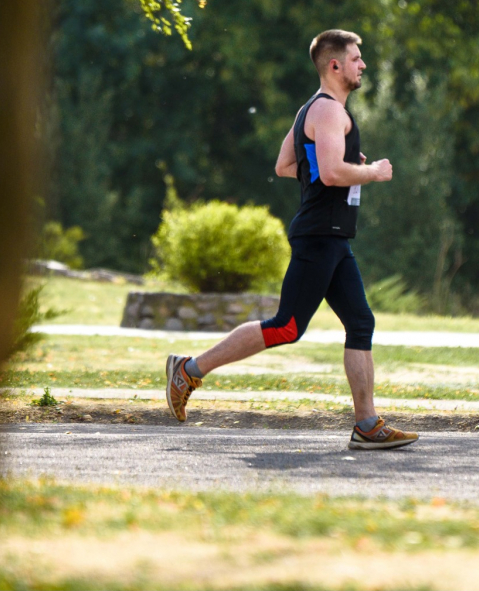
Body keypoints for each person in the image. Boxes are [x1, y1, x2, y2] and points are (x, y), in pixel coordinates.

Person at [164, 29, 419, 450]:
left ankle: (366, 424)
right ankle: (189, 370)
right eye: (356, 58)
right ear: (334, 65)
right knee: (286, 326)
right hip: (319, 236)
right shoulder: (330, 112)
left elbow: (286, 164)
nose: (363, 65)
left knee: (360, 322)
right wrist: (370, 172)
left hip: (332, 238)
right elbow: (333, 173)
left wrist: (331, 166)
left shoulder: (310, 111)